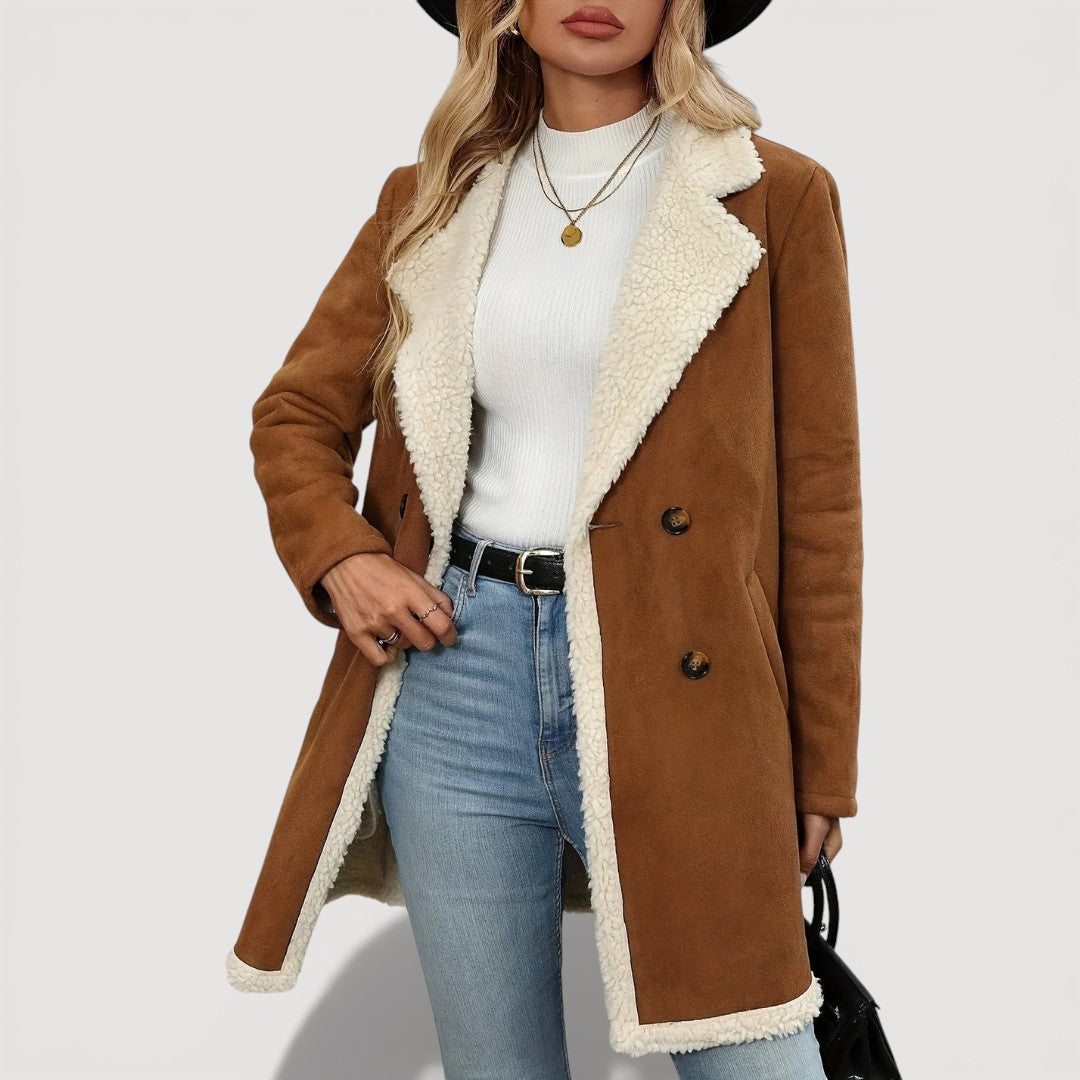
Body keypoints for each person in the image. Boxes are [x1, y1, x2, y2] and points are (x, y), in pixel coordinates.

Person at [228, 2, 862, 1077]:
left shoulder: (773, 195)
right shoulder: (432, 198)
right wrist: (343, 556)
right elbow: (295, 414)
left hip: (686, 685)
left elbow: (822, 501)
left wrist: (822, 767)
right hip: (455, 675)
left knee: (755, 1052)